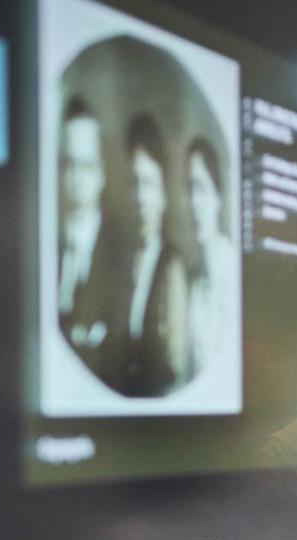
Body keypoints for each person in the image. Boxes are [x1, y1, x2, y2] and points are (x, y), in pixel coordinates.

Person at [104, 112, 188, 398]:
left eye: (149, 185)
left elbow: (174, 364)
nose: (141, 198)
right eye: (134, 184)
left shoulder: (172, 265)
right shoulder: (123, 264)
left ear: (164, 195)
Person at [57, 97, 123, 373]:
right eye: (69, 164)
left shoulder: (123, 256)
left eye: (86, 165)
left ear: (102, 173)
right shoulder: (46, 250)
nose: (76, 178)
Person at [185, 135, 235, 381]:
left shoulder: (232, 271)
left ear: (218, 197)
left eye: (201, 189)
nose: (194, 203)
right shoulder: (193, 277)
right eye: (189, 189)